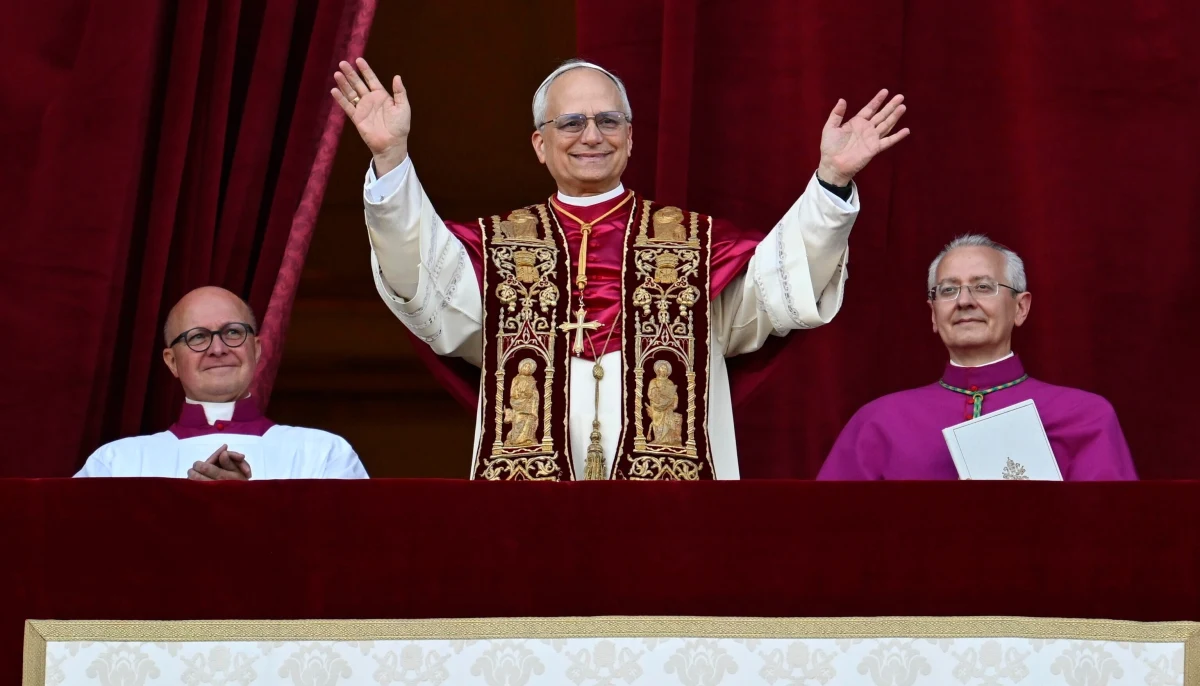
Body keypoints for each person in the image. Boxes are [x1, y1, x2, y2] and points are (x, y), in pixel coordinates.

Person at [331, 57, 908, 480]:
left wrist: (831, 181)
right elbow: (421, 282)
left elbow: (781, 286)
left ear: (630, 139)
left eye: (609, 121)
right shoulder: (496, 246)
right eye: (571, 122)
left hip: (672, 504)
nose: (591, 136)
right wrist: (390, 159)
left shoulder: (694, 244)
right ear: (538, 143)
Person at [817, 235, 1137, 481]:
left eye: (983, 287)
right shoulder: (878, 423)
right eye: (947, 290)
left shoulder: (1086, 417)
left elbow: (1114, 537)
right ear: (933, 314)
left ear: (1021, 307)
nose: (964, 301)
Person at [75, 287, 368, 480]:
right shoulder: (115, 465)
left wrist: (251, 508)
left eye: (232, 332)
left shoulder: (323, 454)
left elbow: (346, 558)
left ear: (256, 349)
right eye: (198, 337)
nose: (218, 349)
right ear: (171, 361)